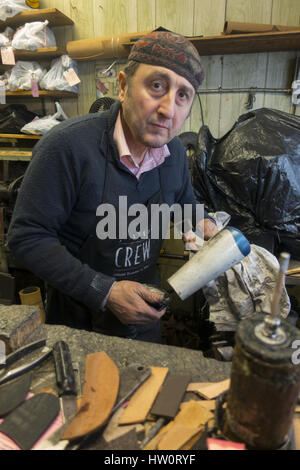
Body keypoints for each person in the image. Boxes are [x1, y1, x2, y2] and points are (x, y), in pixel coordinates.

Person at [8, 30, 217, 343]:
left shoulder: (174, 154)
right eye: (157, 86)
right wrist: (104, 292)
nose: (168, 109)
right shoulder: (66, 147)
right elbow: (27, 238)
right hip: (78, 323)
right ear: (122, 86)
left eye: (183, 95)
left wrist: (205, 226)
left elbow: (184, 204)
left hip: (146, 312)